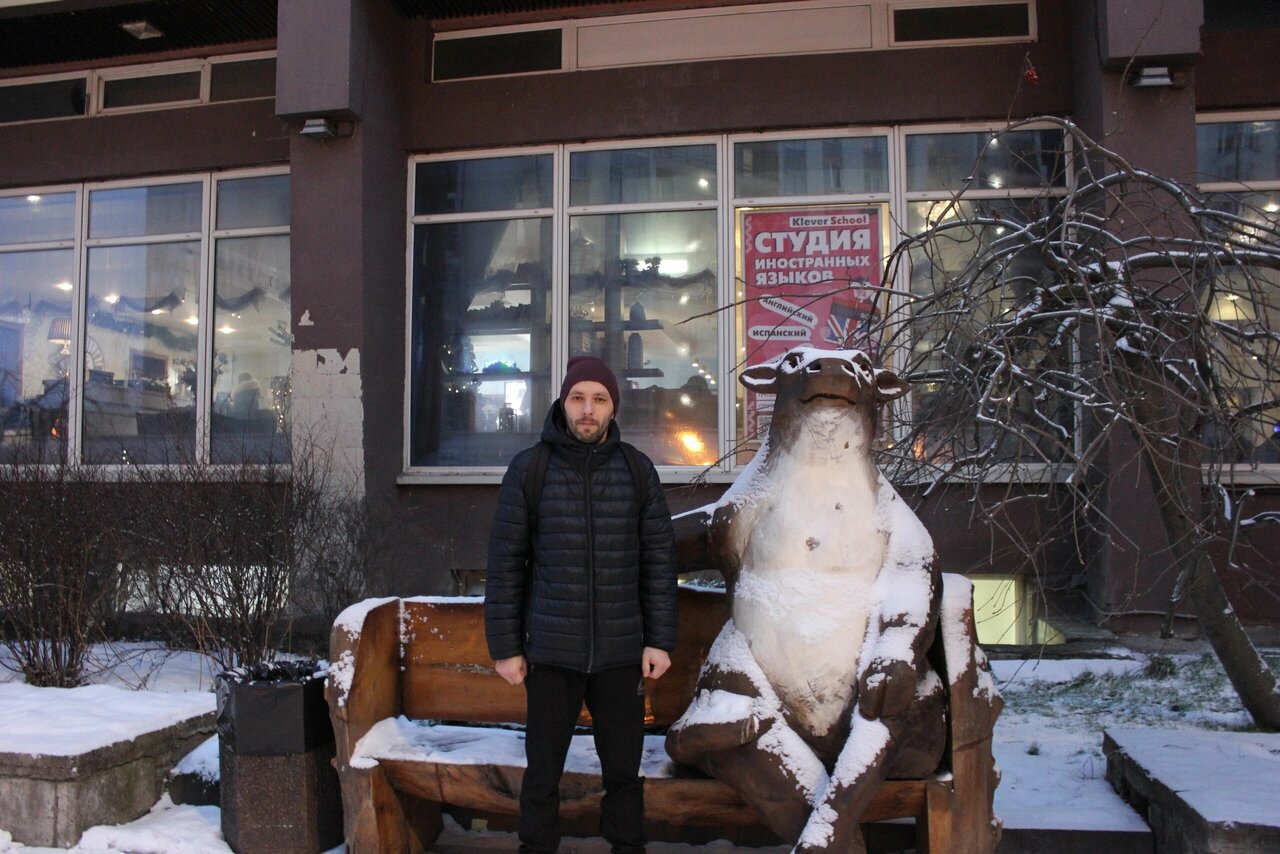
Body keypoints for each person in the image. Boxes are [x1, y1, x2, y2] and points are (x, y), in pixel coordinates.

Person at [485, 355, 678, 854]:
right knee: (543, 773)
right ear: (563, 402)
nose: (587, 409)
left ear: (613, 407)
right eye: (578, 398)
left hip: (621, 654)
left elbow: (658, 562)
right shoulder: (530, 470)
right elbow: (506, 562)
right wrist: (506, 647)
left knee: (624, 774)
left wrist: (659, 640)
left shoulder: (637, 470)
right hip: (551, 654)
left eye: (599, 399)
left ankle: (627, 848)